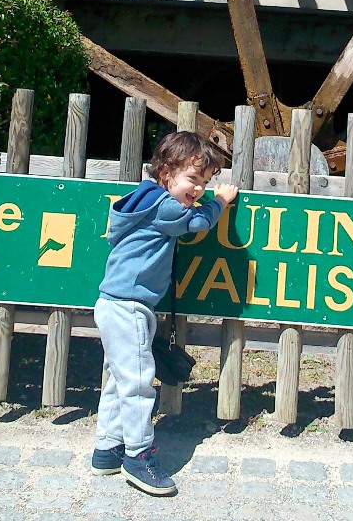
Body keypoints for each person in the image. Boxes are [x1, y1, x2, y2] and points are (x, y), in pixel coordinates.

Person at [91, 130, 239, 496]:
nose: (199, 189)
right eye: (193, 179)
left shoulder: (145, 197)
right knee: (139, 385)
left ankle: (107, 450)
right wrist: (220, 202)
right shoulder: (165, 206)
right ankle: (139, 458)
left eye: (207, 183)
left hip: (115, 304)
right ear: (167, 171)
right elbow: (197, 223)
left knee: (119, 381)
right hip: (128, 308)